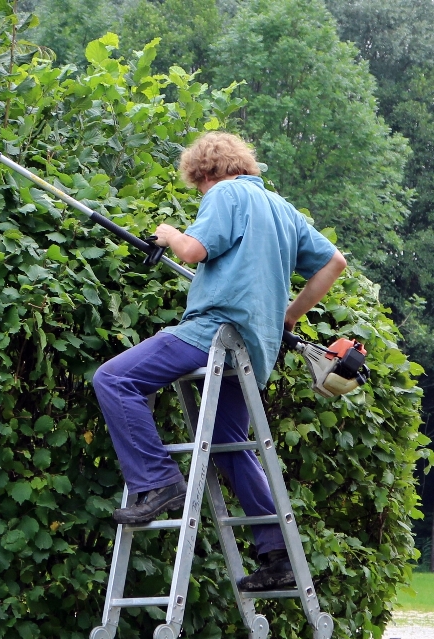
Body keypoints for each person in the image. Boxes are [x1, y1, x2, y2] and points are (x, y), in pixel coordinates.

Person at [92, 131, 347, 592]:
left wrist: (171, 234)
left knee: (113, 379)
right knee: (230, 444)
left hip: (214, 332)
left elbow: (192, 251)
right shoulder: (283, 209)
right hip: (255, 346)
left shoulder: (225, 192)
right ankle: (278, 556)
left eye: (198, 187)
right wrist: (287, 316)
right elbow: (335, 263)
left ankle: (157, 480)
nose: (201, 194)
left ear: (205, 173)